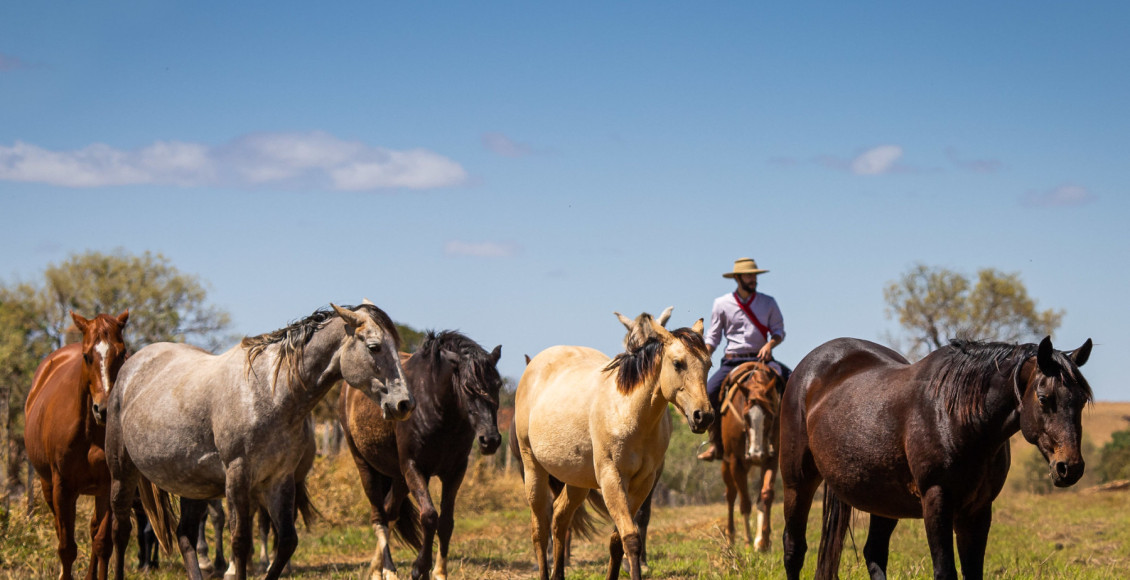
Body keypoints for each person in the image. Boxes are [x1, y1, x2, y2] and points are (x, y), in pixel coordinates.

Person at [697, 257, 788, 461]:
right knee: (709, 393)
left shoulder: (768, 302)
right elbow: (713, 337)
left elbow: (779, 332)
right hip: (732, 361)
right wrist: (703, 357)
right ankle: (716, 444)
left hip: (762, 359)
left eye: (754, 275)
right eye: (748, 275)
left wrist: (769, 344)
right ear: (737, 278)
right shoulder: (721, 304)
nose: (753, 279)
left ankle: (790, 441)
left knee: (793, 387)